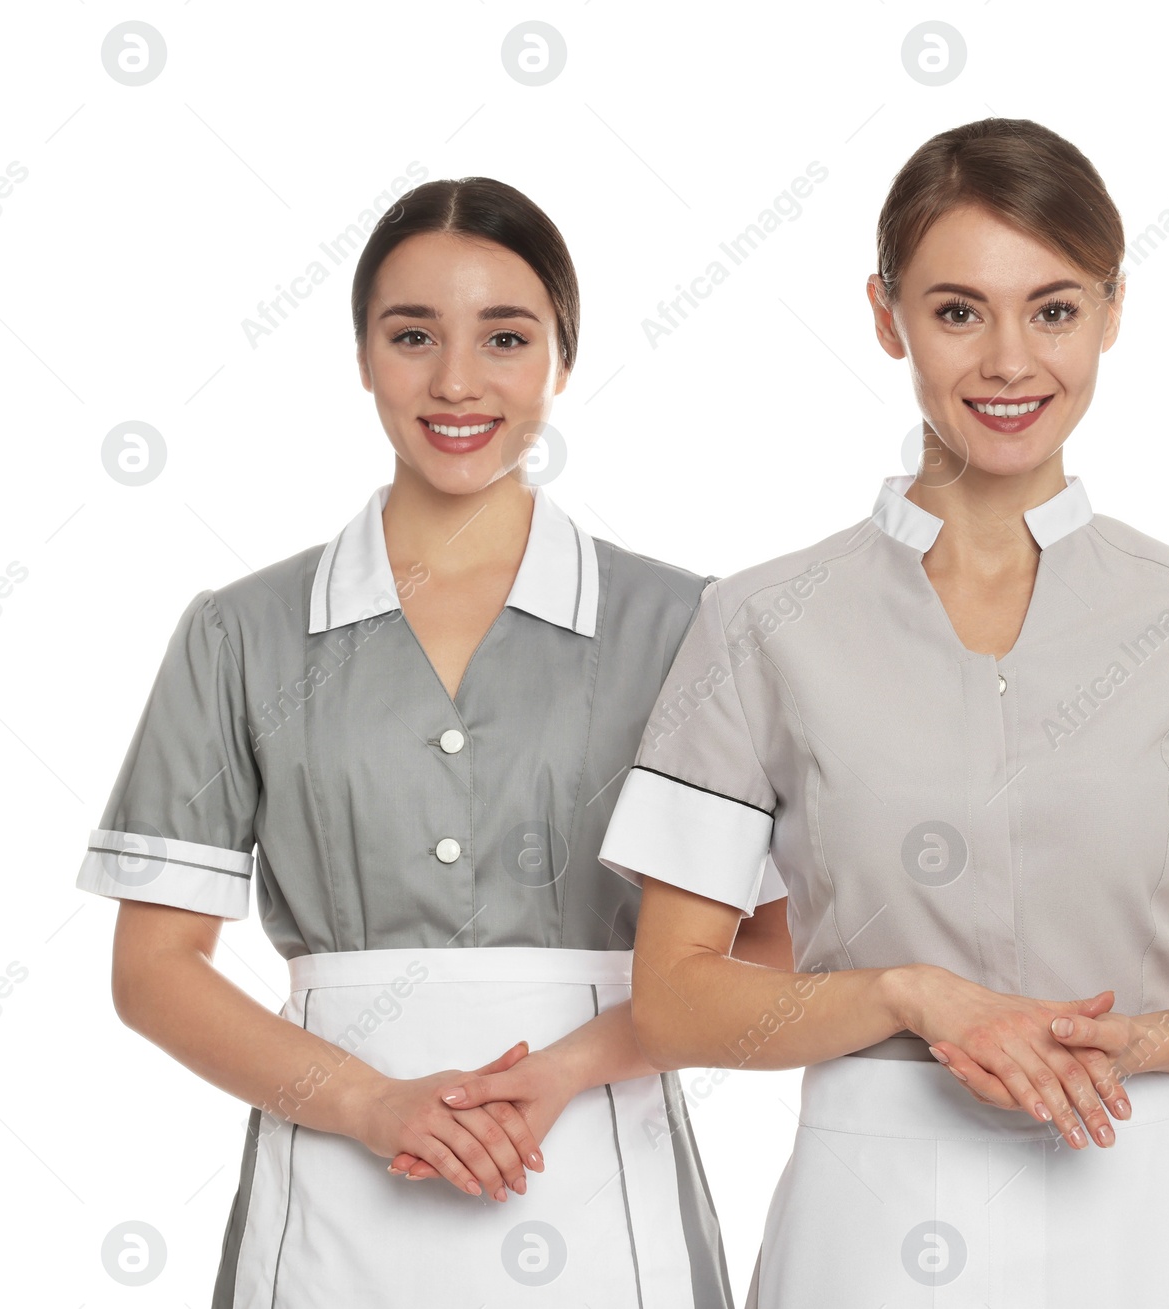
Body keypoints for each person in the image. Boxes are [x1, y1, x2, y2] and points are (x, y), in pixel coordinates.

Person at [595, 118, 1169, 1306]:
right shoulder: (759, 622)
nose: (1010, 361)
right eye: (959, 311)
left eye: (1054, 309)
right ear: (884, 314)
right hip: (872, 1216)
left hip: (1156, 1207)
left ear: (1113, 312)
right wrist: (908, 994)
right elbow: (673, 998)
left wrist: (1133, 1043)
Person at [75, 175, 788, 1308]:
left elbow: (780, 941)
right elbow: (154, 972)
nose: (457, 382)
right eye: (413, 336)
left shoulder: (683, 626)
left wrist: (564, 1071)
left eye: (504, 337)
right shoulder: (239, 632)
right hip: (327, 1201)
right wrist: (369, 1102)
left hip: (607, 1191)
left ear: (561, 356)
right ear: (361, 354)